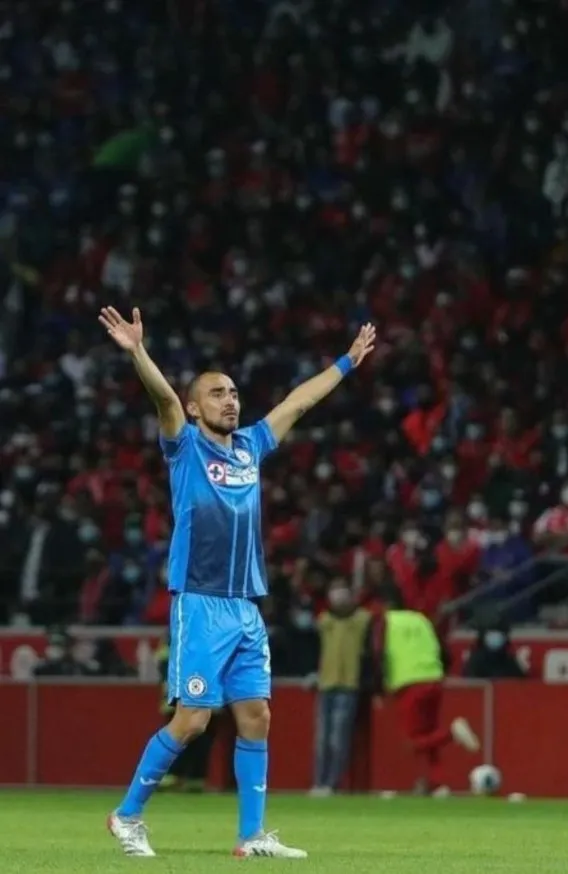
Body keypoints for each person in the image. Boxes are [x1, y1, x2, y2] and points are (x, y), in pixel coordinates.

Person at [100, 305, 375, 858]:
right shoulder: (184, 446)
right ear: (198, 406)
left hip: (246, 606)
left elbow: (299, 401)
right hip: (200, 602)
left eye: (234, 393)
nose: (231, 399)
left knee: (257, 716)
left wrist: (347, 361)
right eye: (219, 393)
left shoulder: (252, 445)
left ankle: (252, 837)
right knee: (194, 721)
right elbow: (163, 400)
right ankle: (127, 816)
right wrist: (138, 353)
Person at [367, 587, 481, 796]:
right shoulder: (422, 619)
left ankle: (452, 733)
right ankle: (439, 784)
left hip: (408, 682)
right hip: (433, 679)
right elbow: (444, 650)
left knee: (414, 742)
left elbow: (378, 653)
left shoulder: (385, 622)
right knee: (429, 736)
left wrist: (378, 687)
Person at [311, 578, 371, 796]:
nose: (339, 597)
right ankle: (319, 782)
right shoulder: (325, 621)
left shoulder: (360, 620)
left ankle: (331, 784)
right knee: (322, 740)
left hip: (348, 685)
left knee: (338, 739)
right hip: (326, 684)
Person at [155, 635, 218, 792]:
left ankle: (194, 780)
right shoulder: (179, 631)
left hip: (201, 696)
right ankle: (174, 777)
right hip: (183, 697)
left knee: (200, 739)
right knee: (181, 738)